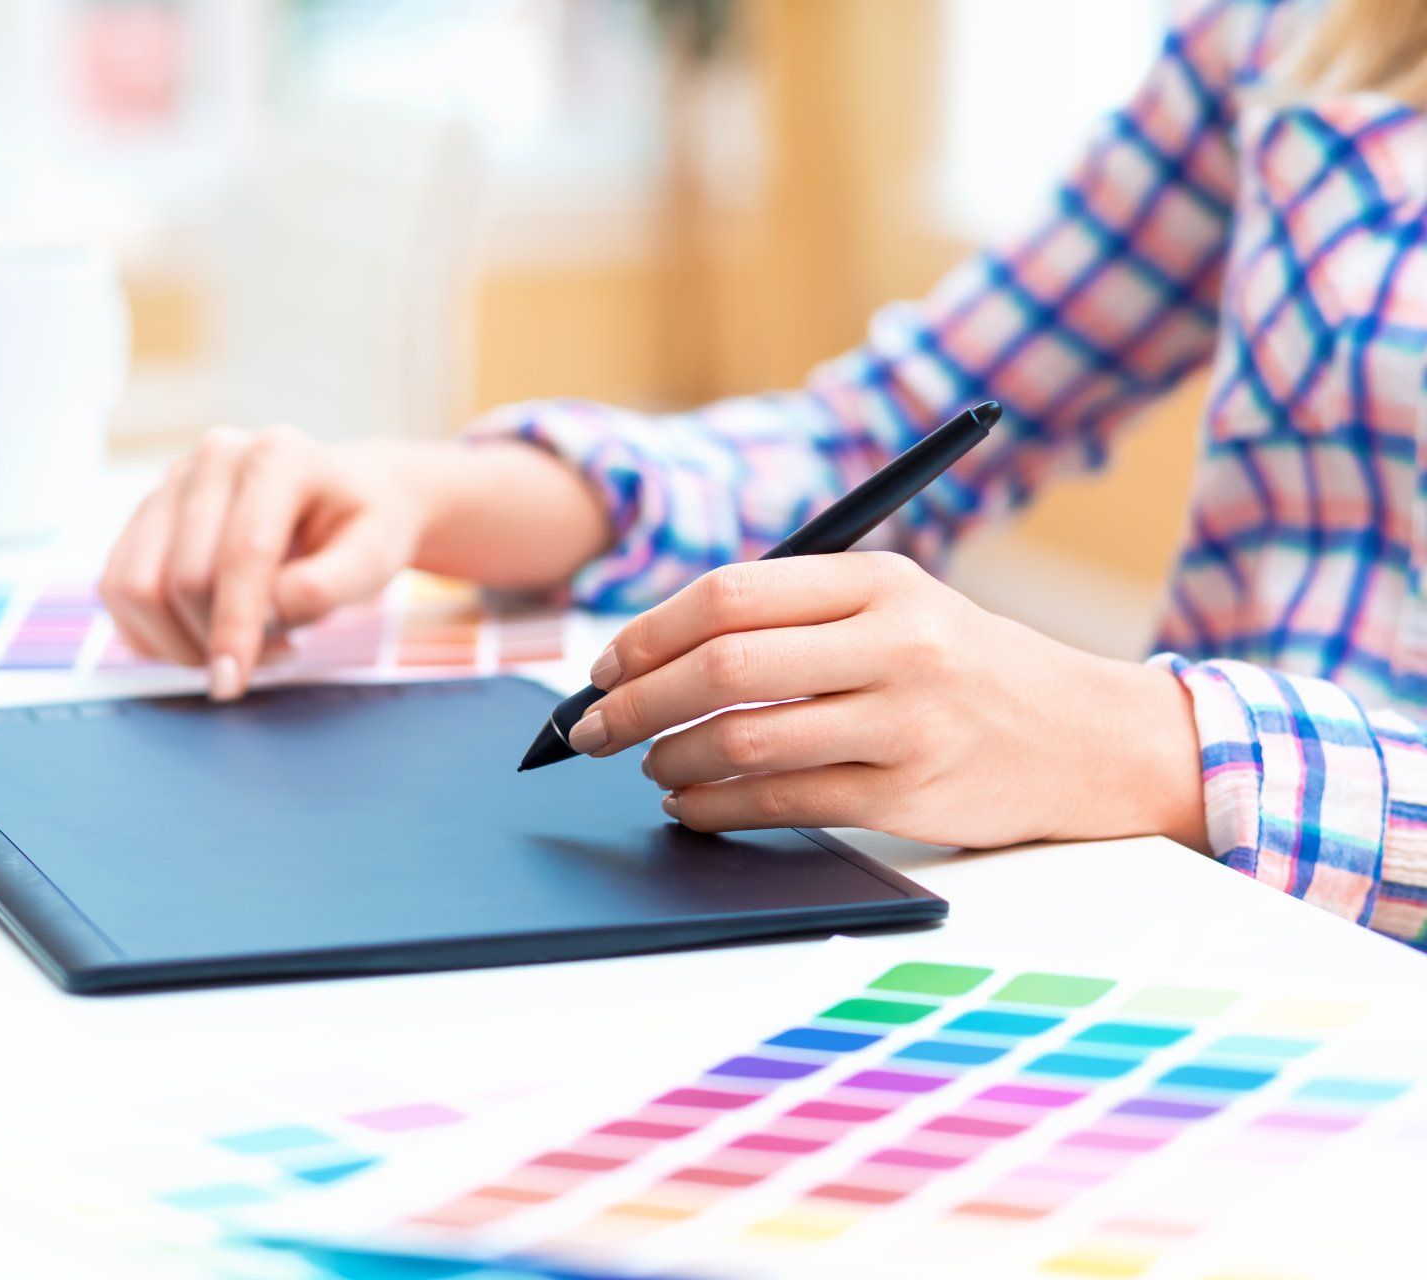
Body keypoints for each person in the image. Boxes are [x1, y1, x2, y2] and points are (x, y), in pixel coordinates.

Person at [102, 0, 1427, 948]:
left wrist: (1154, 744)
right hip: (1213, 947)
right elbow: (881, 434)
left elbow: (1141, 746)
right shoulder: (1286, 34)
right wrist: (429, 496)